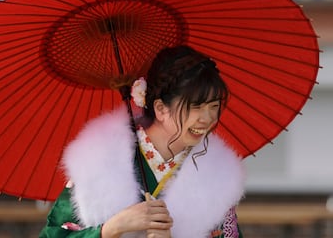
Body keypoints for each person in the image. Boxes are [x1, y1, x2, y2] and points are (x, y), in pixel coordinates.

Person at [40, 45, 245, 237]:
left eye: (214, 106)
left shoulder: (216, 174)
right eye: (196, 107)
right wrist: (111, 228)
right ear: (161, 109)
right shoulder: (101, 159)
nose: (208, 118)